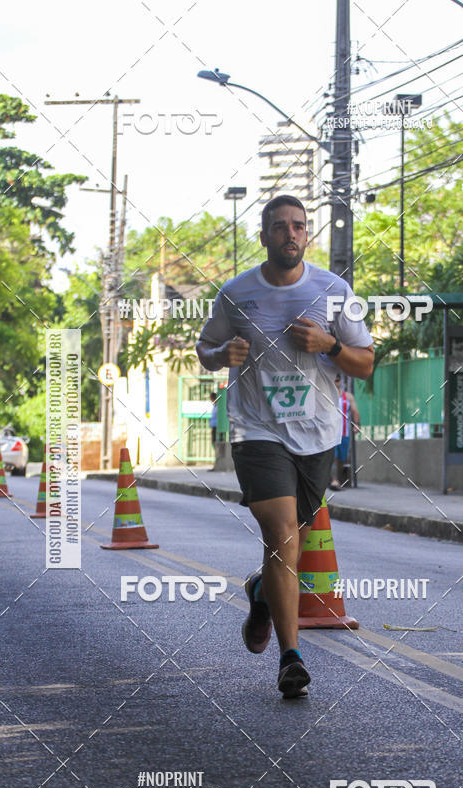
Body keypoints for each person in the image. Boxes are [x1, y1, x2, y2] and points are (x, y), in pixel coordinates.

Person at [196, 195, 373, 698]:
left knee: (289, 541)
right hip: (257, 431)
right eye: (279, 227)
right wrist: (219, 354)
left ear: (307, 235)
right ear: (264, 236)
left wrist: (331, 346)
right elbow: (204, 348)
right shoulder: (236, 294)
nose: (290, 235)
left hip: (318, 434)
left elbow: (366, 362)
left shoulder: (335, 292)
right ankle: (291, 658)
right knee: (281, 535)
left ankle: (259, 591)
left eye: (298, 227)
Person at [330, 374, 359, 490]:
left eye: (338, 378)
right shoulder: (326, 394)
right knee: (333, 456)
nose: (337, 379)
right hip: (330, 432)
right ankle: (334, 481)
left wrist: (356, 424)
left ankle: (336, 478)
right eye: (335, 377)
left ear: (341, 381)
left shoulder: (348, 396)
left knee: (342, 458)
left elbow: (355, 411)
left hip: (344, 433)